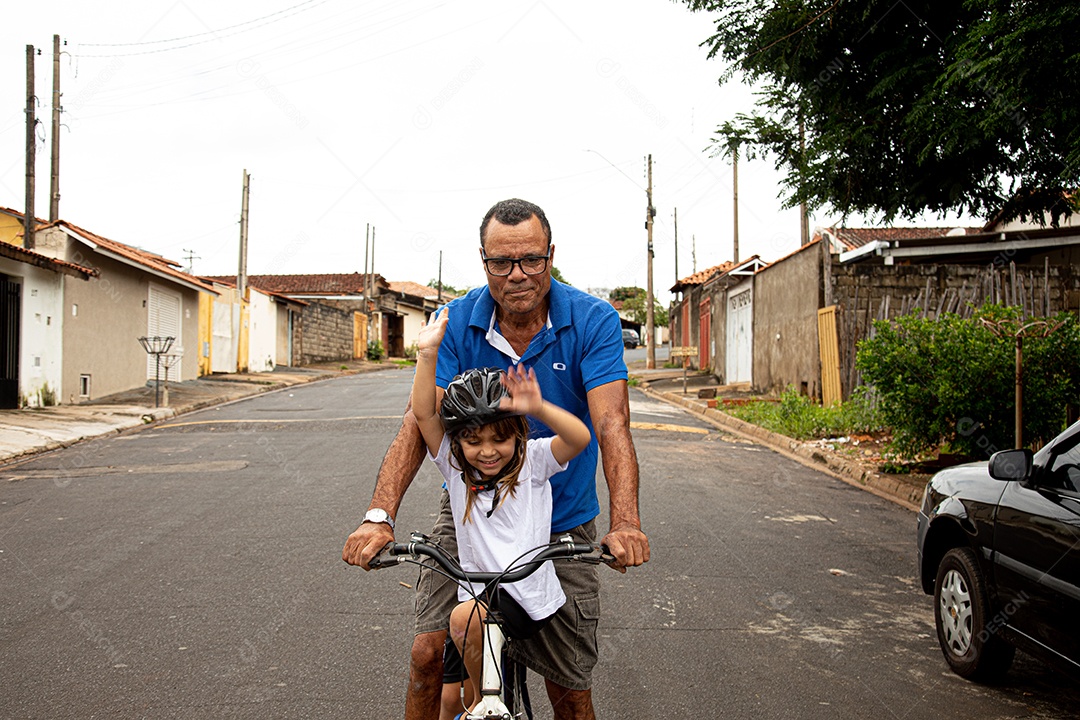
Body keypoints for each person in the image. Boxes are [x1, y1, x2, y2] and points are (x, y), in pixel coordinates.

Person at [343, 198, 650, 720]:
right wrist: (379, 517)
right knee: (426, 654)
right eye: (500, 263)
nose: (518, 275)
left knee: (570, 692)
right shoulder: (458, 321)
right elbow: (420, 421)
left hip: (560, 519)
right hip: (469, 516)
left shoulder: (592, 320)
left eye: (531, 259)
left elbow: (610, 426)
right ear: (483, 261)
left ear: (550, 255)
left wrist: (625, 523)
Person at [411, 307, 592, 717]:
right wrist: (427, 355)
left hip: (524, 597)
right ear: (458, 444)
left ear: (519, 435)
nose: (487, 451)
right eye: (473, 441)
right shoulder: (456, 468)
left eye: (499, 438)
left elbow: (578, 437)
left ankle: (483, 703)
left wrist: (539, 407)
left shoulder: (534, 463)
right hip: (474, 597)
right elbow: (424, 413)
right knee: (444, 699)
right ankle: (474, 703)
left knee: (464, 627)